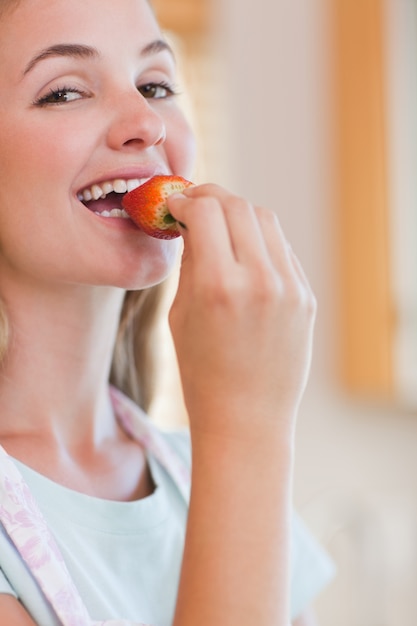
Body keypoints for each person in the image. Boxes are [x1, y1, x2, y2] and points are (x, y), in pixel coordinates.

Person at [0, 0, 335, 624]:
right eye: (66, 92)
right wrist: (245, 421)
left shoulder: (198, 471)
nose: (145, 123)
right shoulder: (238, 449)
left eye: (155, 85)